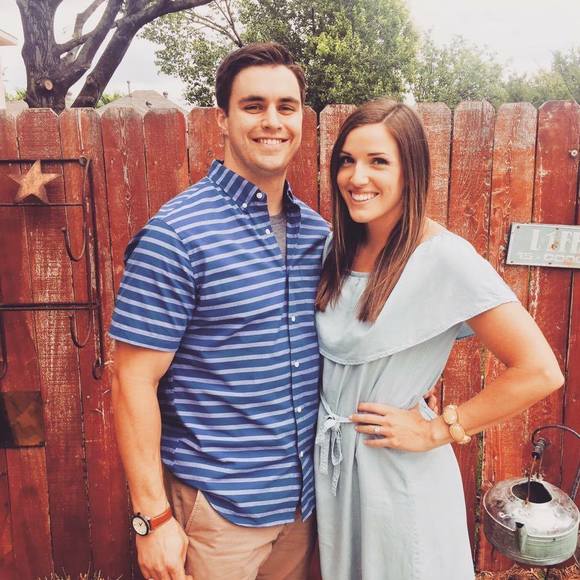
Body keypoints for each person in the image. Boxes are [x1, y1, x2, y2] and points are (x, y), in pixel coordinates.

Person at [314, 99, 564, 580]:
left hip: (396, 477)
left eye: (378, 161)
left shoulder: (444, 258)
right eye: (347, 160)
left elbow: (539, 370)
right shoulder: (337, 248)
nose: (357, 177)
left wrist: (436, 430)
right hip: (336, 475)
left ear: (411, 171)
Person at [109, 42, 329, 580]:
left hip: (303, 508)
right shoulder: (177, 236)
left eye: (286, 106)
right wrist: (152, 519)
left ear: (301, 119)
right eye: (253, 106)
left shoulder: (319, 235)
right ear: (223, 120)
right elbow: (132, 380)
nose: (272, 121)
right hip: (217, 513)